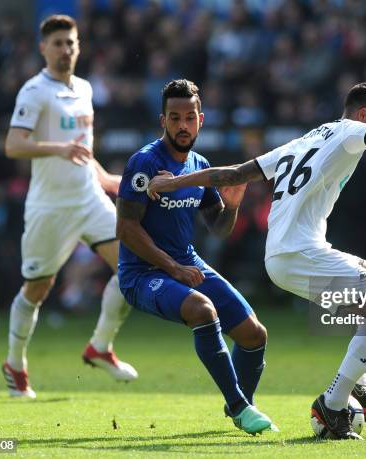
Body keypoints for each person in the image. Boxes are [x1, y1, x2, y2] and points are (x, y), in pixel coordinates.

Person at [147, 81, 366, 440]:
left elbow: (231, 175)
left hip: (291, 253)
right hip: (298, 255)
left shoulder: (304, 141)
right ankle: (333, 402)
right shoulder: (350, 132)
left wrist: (175, 183)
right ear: (363, 115)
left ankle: (357, 386)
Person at [115, 79, 276, 435]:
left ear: (201, 120)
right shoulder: (144, 163)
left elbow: (219, 229)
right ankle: (239, 407)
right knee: (202, 310)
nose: (183, 125)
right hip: (142, 273)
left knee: (254, 335)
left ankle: (240, 405)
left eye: (190, 117)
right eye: (175, 118)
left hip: (186, 263)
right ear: (163, 120)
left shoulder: (199, 165)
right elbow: (126, 229)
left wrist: (231, 206)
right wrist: (173, 267)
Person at [2, 15, 137, 399]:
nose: (65, 49)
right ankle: (14, 364)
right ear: (43, 48)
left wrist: (104, 176)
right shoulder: (34, 91)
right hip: (50, 207)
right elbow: (13, 144)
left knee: (132, 268)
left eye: (71, 43)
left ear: (79, 46)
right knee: (37, 289)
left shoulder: (84, 89)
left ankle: (100, 346)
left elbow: (81, 147)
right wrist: (58, 149)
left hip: (88, 198)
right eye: (58, 43)